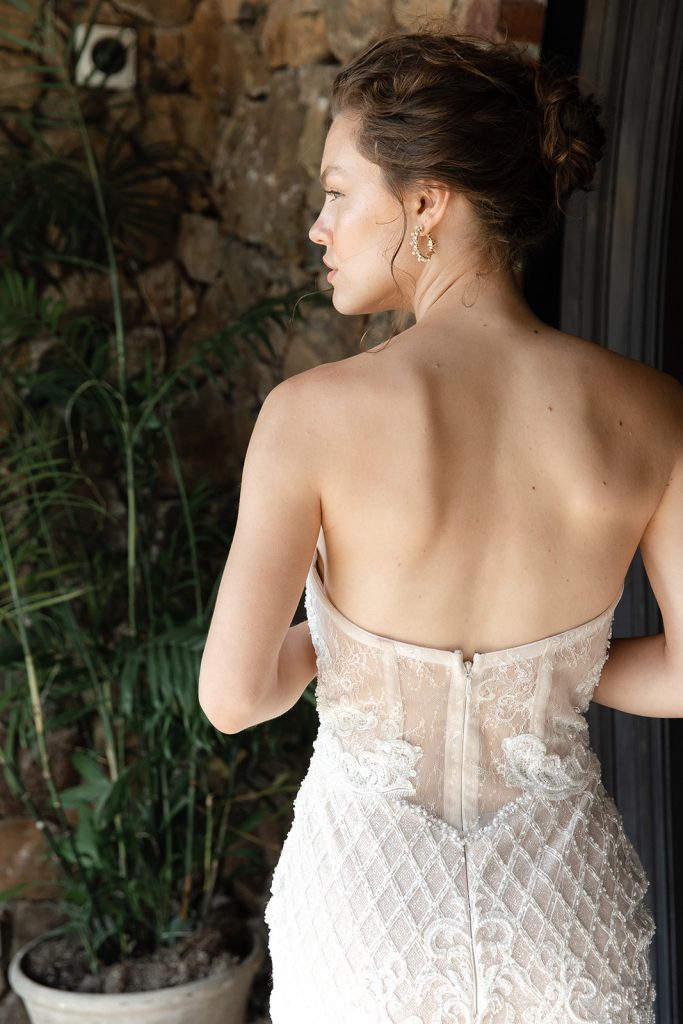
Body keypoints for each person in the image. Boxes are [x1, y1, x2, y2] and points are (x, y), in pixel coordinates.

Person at [198, 30, 683, 1021]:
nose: (316, 226)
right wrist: (557, 667)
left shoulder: (309, 416)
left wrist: (345, 652)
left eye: (336, 191)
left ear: (425, 201)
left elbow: (234, 695)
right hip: (563, 917)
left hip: (365, 919)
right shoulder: (651, 409)